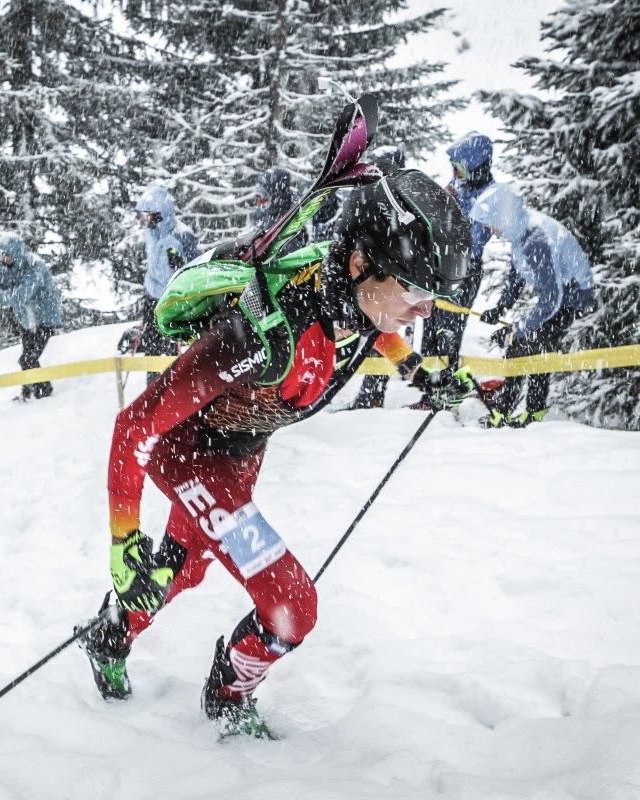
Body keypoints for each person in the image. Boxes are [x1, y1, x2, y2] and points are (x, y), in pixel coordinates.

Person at [76, 169, 477, 737]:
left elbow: (375, 329)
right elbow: (133, 428)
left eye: (429, 297)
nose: (424, 311)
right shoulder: (259, 336)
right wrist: (122, 541)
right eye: (415, 292)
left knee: (181, 569)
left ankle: (109, 635)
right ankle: (229, 694)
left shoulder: (354, 297)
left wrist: (420, 373)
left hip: (236, 457)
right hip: (193, 459)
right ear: (363, 264)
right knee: (290, 605)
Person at [468, 182, 596, 427]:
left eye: (490, 223)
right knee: (527, 346)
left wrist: (518, 328)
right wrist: (502, 307)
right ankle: (516, 411)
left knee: (530, 345)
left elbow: (552, 298)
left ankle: (519, 413)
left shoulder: (536, 238)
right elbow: (517, 273)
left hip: (573, 297)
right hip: (560, 296)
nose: (490, 230)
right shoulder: (521, 232)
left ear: (501, 217)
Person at [416, 133, 497, 378]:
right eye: (453, 167)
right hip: (439, 265)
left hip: (464, 270)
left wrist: (449, 212)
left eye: (459, 167)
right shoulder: (460, 184)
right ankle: (426, 385)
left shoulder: (489, 198)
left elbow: (472, 242)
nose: (454, 171)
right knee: (429, 322)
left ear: (474, 167)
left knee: (449, 329)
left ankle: (444, 386)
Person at [346, 145, 408, 410]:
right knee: (371, 332)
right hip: (367, 278)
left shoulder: (401, 204)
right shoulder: (370, 198)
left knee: (380, 330)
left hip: (387, 285)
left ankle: (372, 394)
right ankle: (370, 393)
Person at [0, 233, 63, 401]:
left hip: (45, 319)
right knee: (26, 357)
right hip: (27, 320)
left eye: (6, 254)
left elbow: (19, 297)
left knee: (28, 358)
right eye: (1, 255)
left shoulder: (35, 268)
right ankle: (28, 392)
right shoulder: (8, 267)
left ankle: (44, 392)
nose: (3, 258)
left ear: (16, 253)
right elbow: (1, 286)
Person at [131, 185, 199, 381]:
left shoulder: (180, 235)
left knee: (169, 351)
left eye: (148, 215)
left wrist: (182, 264)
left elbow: (196, 266)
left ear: (160, 214)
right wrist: (147, 298)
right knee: (152, 349)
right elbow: (153, 269)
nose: (144, 220)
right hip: (153, 300)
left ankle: (171, 391)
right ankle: (151, 391)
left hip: (171, 303)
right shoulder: (151, 234)